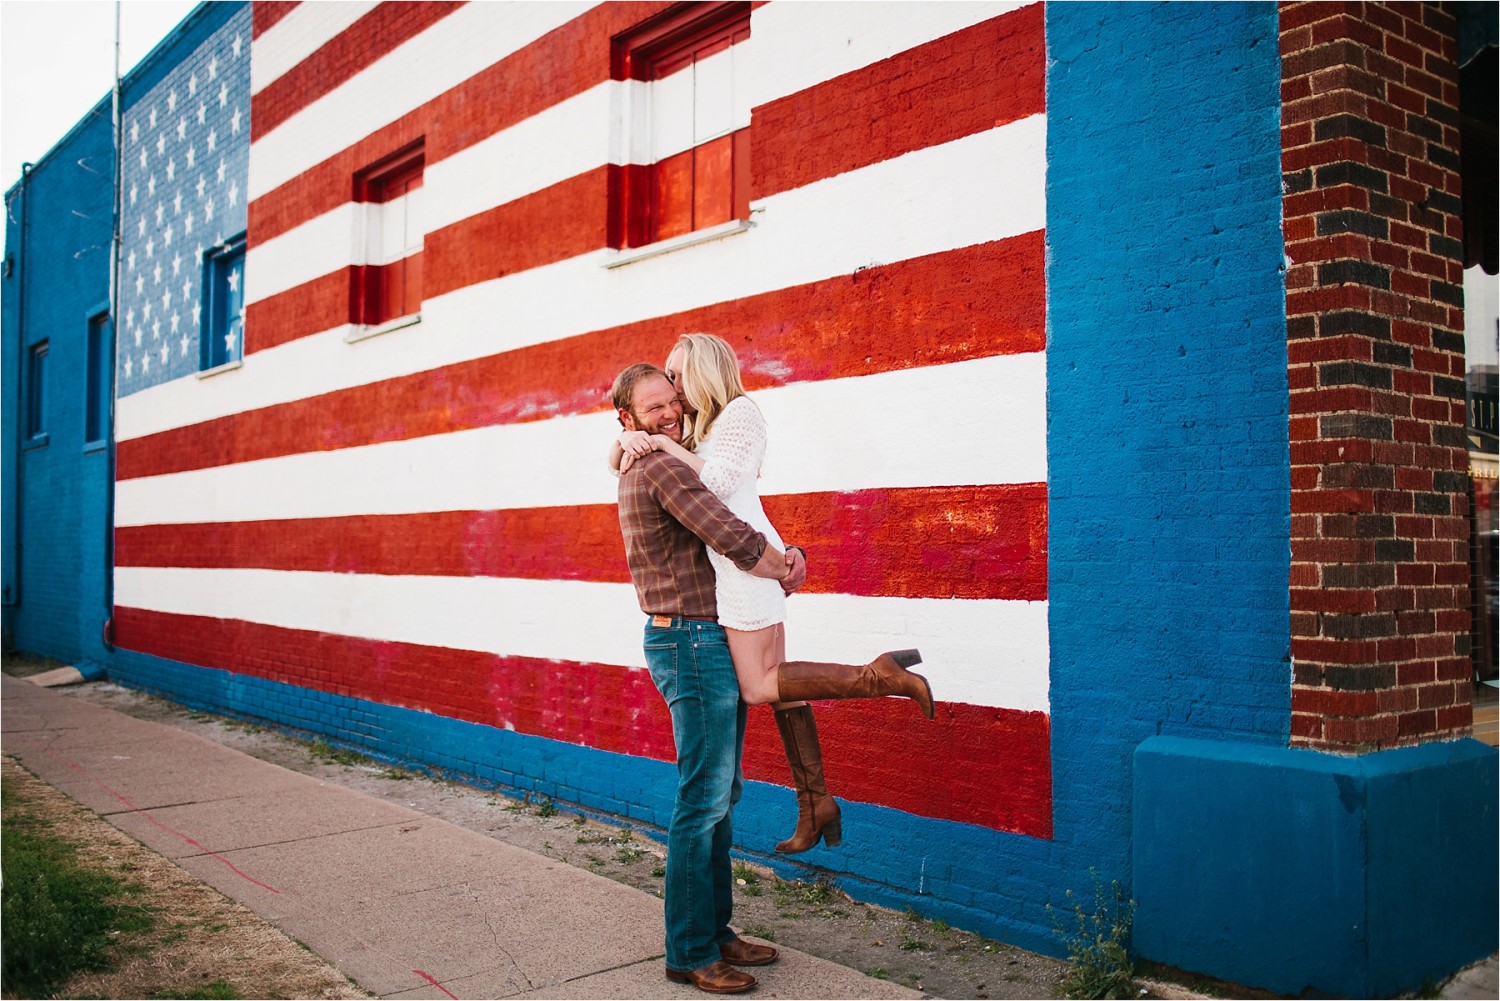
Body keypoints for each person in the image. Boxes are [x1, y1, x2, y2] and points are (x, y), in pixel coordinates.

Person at [611, 334, 934, 861]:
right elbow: (649, 454)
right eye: (665, 381)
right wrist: (626, 441)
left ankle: (879, 675)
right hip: (744, 562)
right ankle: (815, 802)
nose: (671, 387)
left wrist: (663, 446)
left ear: (703, 371)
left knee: (759, 686)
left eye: (676, 374)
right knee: (783, 690)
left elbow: (714, 483)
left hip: (744, 570)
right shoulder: (701, 423)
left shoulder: (740, 413)